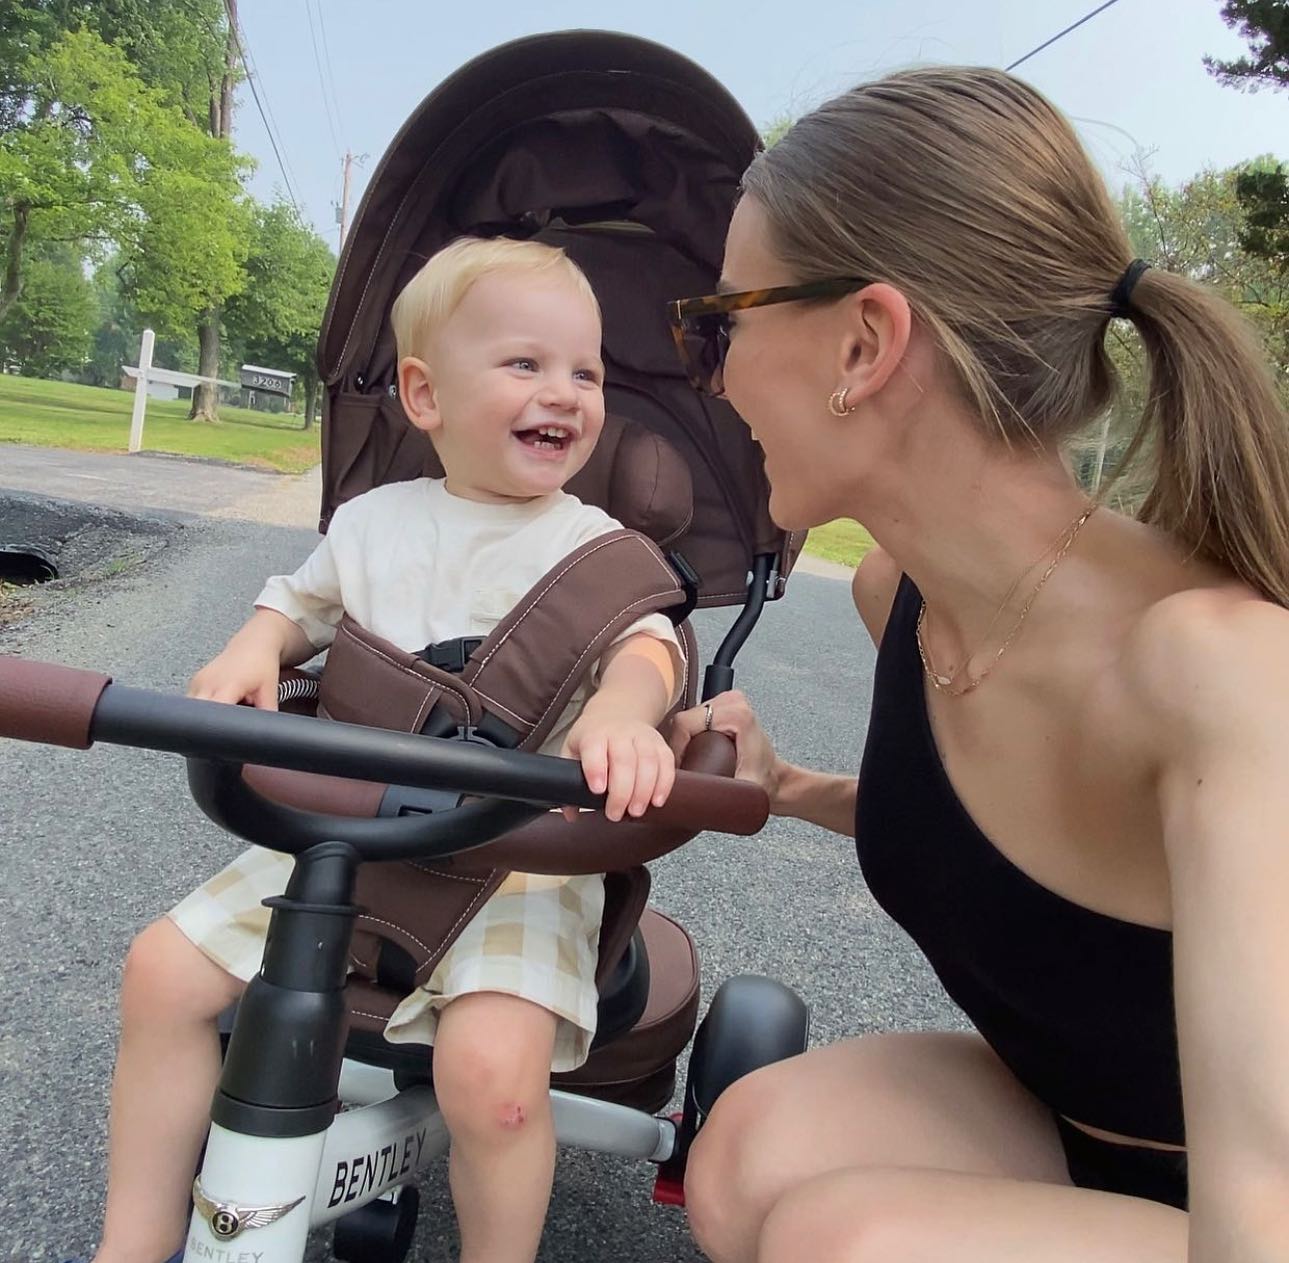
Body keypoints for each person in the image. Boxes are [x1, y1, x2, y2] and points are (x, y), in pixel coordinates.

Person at [666, 66, 1289, 1263]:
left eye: (720, 323)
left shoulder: (1213, 671)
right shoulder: (897, 595)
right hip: (1085, 1134)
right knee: (746, 1156)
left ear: (863, 342)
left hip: (1252, 1213)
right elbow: (1040, 868)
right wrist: (787, 790)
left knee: (841, 1242)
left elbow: (1255, 1211)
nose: (719, 371)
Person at [75, 236, 681, 1263]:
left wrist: (625, 709)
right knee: (159, 975)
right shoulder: (369, 523)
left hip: (518, 859)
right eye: (526, 364)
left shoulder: (598, 551)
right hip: (345, 833)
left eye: (586, 371)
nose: (566, 393)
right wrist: (251, 649)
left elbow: (649, 651)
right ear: (424, 393)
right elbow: (294, 608)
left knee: (491, 1076)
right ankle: (129, 1243)